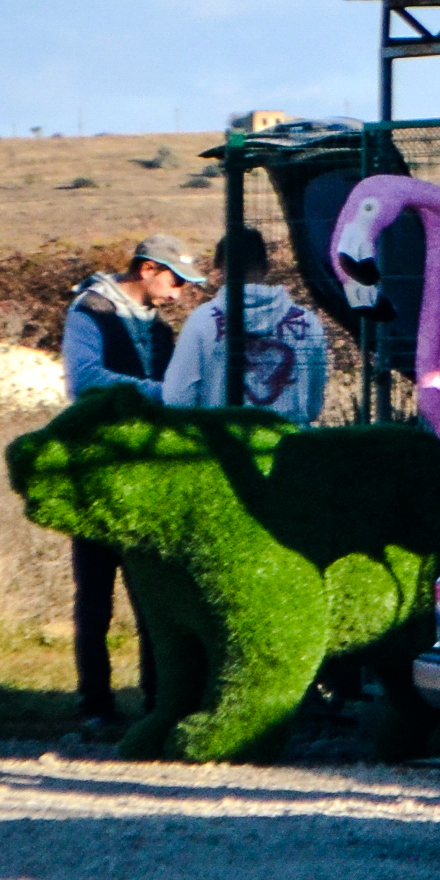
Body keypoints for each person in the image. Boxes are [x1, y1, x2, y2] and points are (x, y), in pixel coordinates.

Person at [60, 233, 204, 733]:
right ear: (146, 269)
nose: (181, 291)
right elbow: (83, 379)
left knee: (151, 594)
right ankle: (94, 704)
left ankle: (154, 701)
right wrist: (158, 393)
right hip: (98, 471)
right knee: (95, 595)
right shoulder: (91, 309)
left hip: (147, 477)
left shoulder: (161, 330)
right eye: (175, 279)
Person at [164, 227, 327, 425]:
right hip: (287, 445)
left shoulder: (202, 321)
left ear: (220, 269)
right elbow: (312, 406)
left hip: (225, 444)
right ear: (266, 267)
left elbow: (177, 398)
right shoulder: (307, 322)